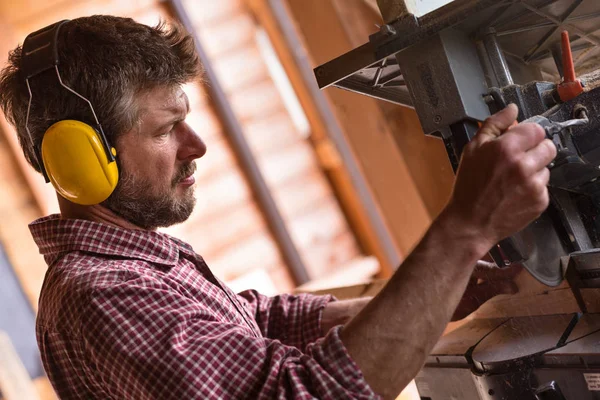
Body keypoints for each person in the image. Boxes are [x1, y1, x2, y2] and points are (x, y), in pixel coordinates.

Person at [0, 15, 555, 400]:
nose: (197, 146)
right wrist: (464, 228)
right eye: (168, 130)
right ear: (79, 159)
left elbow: (263, 324)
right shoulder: (102, 295)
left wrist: (430, 291)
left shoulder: (140, 261)